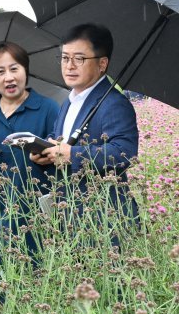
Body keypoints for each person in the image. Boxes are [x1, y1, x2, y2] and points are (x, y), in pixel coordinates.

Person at [31, 23, 140, 240]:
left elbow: (124, 153)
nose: (69, 66)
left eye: (79, 58)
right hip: (71, 220)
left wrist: (71, 154)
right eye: (64, 57)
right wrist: (46, 153)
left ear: (102, 64)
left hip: (107, 222)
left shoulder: (113, 104)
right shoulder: (68, 103)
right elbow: (62, 143)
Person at [0, 42, 60, 272]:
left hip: (36, 211)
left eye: (14, 69)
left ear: (25, 70)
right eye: (0, 71)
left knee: (37, 277)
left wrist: (46, 155)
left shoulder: (47, 108)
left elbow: (62, 157)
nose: (9, 78)